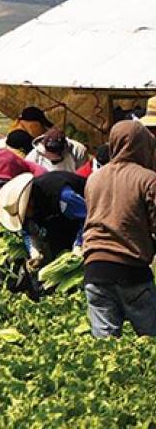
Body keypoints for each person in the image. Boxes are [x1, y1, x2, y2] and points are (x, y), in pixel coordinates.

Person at [81, 120, 156, 338]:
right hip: (131, 270)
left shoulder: (94, 179)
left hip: (94, 270)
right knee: (151, 341)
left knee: (106, 348)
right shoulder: (148, 179)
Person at [0, 170, 87, 266]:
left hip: (85, 225)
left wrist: (78, 244)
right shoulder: (30, 210)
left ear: (29, 204)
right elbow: (27, 231)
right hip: (61, 230)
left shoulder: (62, 196)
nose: (24, 218)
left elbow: (88, 217)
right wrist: (34, 251)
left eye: (23, 214)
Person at [0, 149, 46, 251]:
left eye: (4, 183)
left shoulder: (39, 177)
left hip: (36, 223)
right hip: (5, 225)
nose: (1, 187)